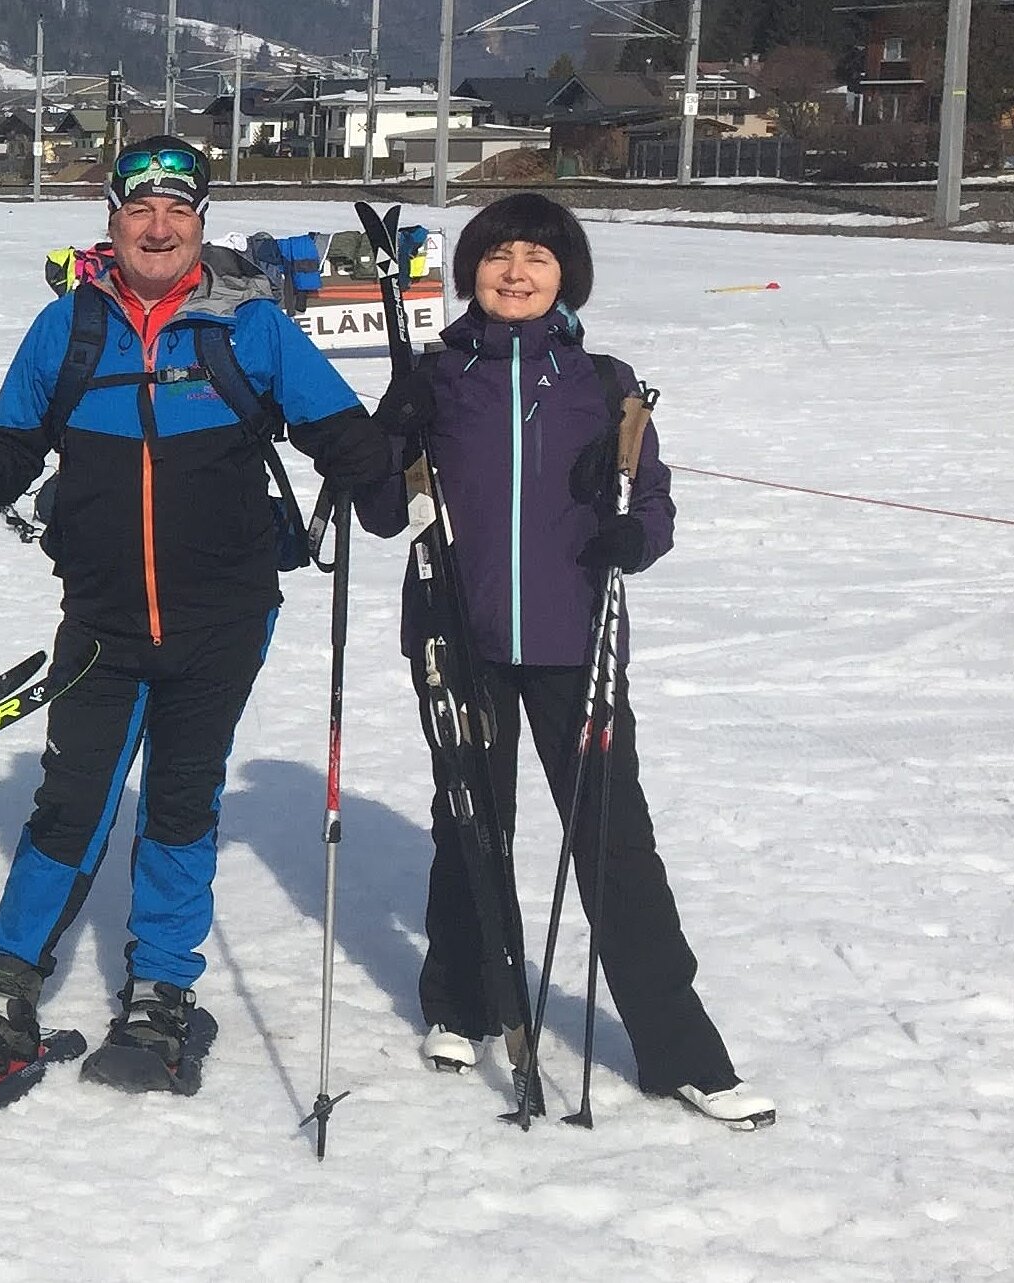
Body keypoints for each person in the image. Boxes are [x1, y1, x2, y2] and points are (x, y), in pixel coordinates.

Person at [0, 137, 396, 1093]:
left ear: (201, 223)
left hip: (222, 616)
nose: (158, 225)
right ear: (111, 219)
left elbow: (339, 430)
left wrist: (385, 460)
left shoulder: (248, 326)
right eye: (140, 208)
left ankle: (161, 989)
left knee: (181, 802)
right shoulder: (68, 329)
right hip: (100, 619)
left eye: (177, 209)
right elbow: (12, 444)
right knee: (69, 805)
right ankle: (9, 985)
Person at [352, 193, 772, 1129]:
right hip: (455, 635)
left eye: (536, 259)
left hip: (575, 639)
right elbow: (383, 515)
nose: (515, 272)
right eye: (498, 255)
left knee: (614, 839)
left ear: (564, 277)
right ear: (471, 271)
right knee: (469, 821)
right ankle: (459, 1004)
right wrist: (388, 432)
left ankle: (680, 1051)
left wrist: (635, 537)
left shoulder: (601, 380)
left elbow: (649, 501)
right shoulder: (434, 374)